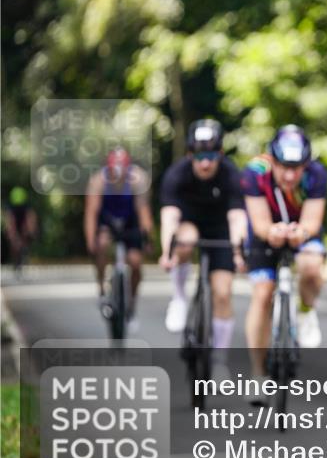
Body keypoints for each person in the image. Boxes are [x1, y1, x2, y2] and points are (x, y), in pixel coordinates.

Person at [241, 125, 327, 398]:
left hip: (301, 230)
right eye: (284, 167)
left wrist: (299, 233)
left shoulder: (316, 174)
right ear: (272, 161)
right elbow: (259, 224)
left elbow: (312, 221)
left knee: (311, 267)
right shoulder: (254, 173)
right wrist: (273, 232)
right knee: (263, 293)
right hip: (265, 232)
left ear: (306, 164)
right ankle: (258, 373)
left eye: (297, 167)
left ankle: (305, 310)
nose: (290, 175)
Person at [159, 120, 247, 368]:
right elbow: (169, 217)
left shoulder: (231, 174)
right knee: (185, 240)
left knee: (222, 293)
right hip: (189, 222)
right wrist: (167, 252)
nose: (205, 163)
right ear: (190, 155)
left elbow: (237, 217)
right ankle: (178, 297)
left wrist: (239, 252)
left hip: (220, 228)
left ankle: (219, 359)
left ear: (220, 154)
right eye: (199, 156)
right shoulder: (177, 174)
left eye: (211, 156)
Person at [83, 148, 154, 331]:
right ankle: (101, 288)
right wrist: (91, 240)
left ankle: (131, 305)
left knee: (136, 263)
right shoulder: (98, 181)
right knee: (102, 245)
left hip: (130, 222)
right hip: (107, 221)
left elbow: (143, 212)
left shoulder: (139, 179)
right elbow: (91, 213)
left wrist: (147, 238)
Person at [4, 186, 37, 275]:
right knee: (13, 240)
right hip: (15, 223)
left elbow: (30, 218)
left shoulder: (26, 206)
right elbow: (10, 221)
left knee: (24, 234)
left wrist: (29, 231)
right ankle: (16, 258)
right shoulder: (10, 207)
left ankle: (23, 251)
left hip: (22, 223)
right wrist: (12, 234)